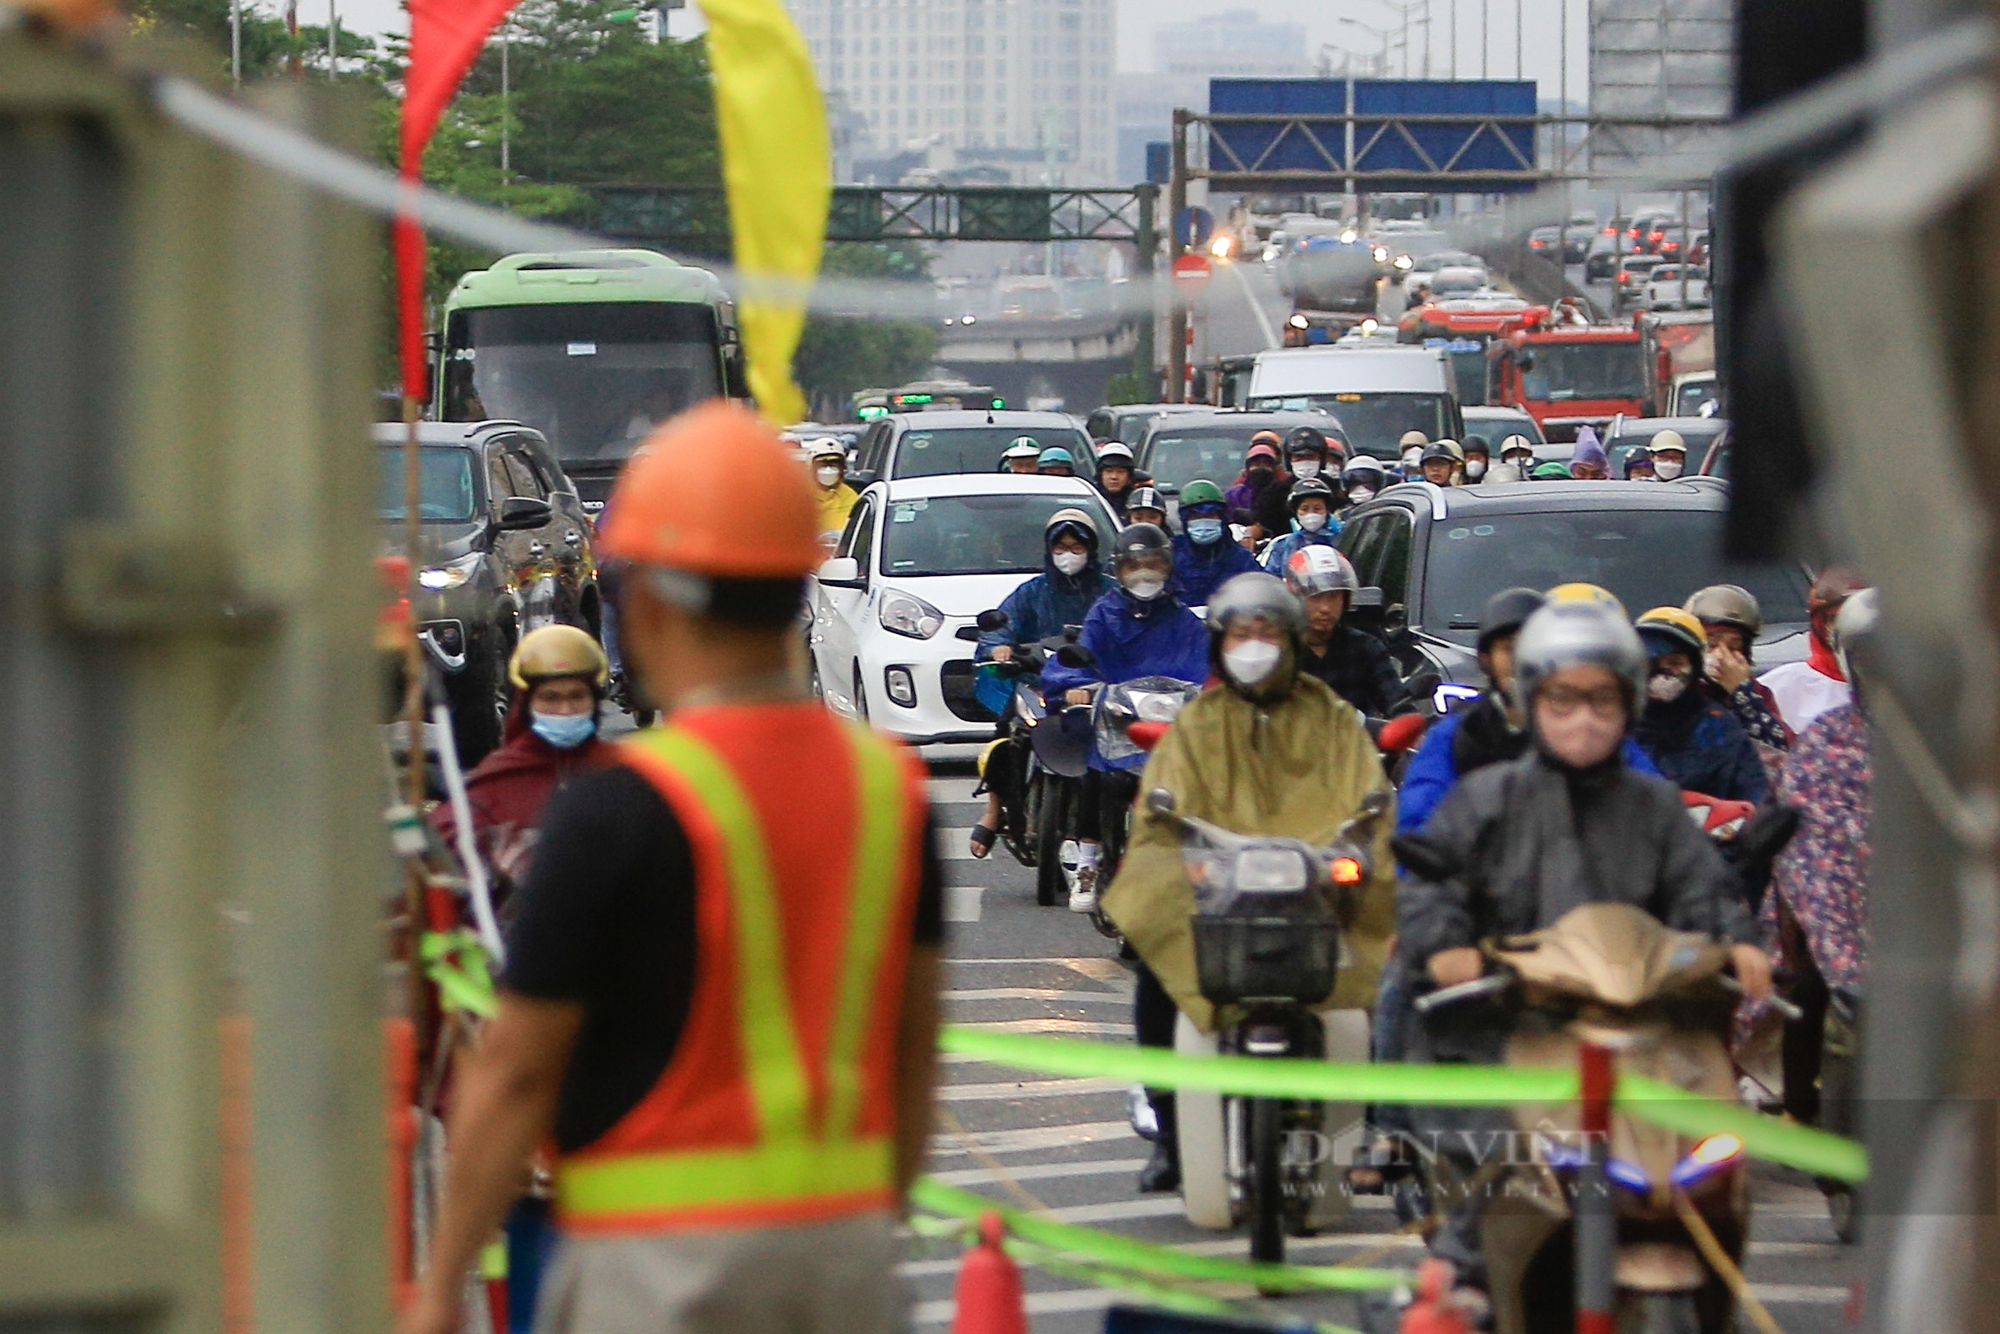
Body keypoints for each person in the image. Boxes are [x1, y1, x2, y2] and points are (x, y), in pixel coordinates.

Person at [400, 402, 943, 1334]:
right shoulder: (887, 789)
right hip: (845, 1257)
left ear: (644, 600)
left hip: (657, 1268)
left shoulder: (619, 807)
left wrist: (440, 1284)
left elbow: (519, 1074)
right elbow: (910, 1052)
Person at [1395, 599, 1771, 1282]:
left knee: (1707, 1181)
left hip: (1641, 1031)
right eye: (1563, 699)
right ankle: (1460, 1275)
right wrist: (1449, 942)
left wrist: (1734, 937)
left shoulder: (1652, 804)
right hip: (1512, 1025)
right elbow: (1431, 880)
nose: (1583, 718)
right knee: (1480, 1215)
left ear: (1628, 705)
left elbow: (1700, 884)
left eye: (1602, 700)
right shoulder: (1485, 800)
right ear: (1533, 700)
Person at [1104, 572, 1397, 1193]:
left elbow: (1370, 798)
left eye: (1267, 631)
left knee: (1382, 973)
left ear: (1290, 640)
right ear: (1219, 644)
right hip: (1216, 896)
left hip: (1316, 892)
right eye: (1241, 633)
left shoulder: (1336, 719)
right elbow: (1160, 813)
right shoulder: (1195, 723)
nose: (1254, 644)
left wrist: (1358, 852)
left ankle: (1373, 1121)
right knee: (1160, 976)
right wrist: (1171, 862)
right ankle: (1173, 1132)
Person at [1039, 523, 1210, 913]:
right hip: (1118, 722)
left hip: (1171, 727)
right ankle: (1087, 863)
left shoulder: (1183, 620)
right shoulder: (1104, 613)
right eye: (1135, 565)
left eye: (1152, 563)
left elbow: (1207, 666)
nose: (1144, 573)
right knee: (1096, 776)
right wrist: (1077, 685)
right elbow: (1081, 656)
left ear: (1167, 566)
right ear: (1119, 570)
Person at [1768, 588, 1876, 1124]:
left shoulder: (1951, 740)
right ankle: (1799, 1109)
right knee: (1808, 988)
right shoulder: (1826, 740)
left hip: (1929, 914)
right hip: (1840, 912)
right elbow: (1806, 840)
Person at [966, 508, 1114, 857]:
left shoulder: (1110, 592)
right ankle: (993, 810)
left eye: (1076, 547)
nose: (1068, 555)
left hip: (1094, 687)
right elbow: (1003, 624)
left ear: (1091, 550)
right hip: (1039, 684)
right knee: (1006, 733)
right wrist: (1000, 646)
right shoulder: (1031, 592)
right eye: (1061, 547)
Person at [433, 624, 614, 894]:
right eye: (550, 698)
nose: (565, 710)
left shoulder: (622, 774)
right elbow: (445, 852)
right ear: (527, 704)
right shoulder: (498, 780)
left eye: (577, 697)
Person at [1632, 606, 1770, 803]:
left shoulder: (1719, 727)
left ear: (1695, 666)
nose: (1662, 672)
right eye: (1650, 662)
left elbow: (1754, 795)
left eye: (1675, 662)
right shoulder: (1617, 723)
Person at [1280, 546, 1406, 718]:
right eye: (1315, 597)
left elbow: (1397, 704)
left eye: (1333, 596)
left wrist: (1405, 726)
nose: (1325, 608)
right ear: (1294, 598)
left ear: (1345, 600)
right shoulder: (1279, 651)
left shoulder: (1365, 648)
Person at [1759, 568, 1867, 735]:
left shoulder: (1904, 691)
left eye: (1858, 621)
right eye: (1835, 620)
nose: (1845, 630)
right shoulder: (1779, 687)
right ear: (1819, 623)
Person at [1684, 583, 1789, 751]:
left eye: (1734, 646)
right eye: (1711, 642)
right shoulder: (1677, 686)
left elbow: (1782, 748)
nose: (1721, 655)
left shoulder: (1756, 692)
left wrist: (1741, 693)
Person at [1169, 479, 1260, 605]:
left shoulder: (1239, 557)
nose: (1203, 521)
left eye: (1210, 515)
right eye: (1196, 517)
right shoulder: (1171, 554)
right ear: (1185, 521)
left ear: (1222, 518)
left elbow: (1260, 589)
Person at [1253, 426, 1338, 538]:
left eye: (1311, 457)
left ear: (1321, 459)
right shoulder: (1272, 494)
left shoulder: (1336, 489)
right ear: (1289, 460)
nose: (1305, 462)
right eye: (1298, 457)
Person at [1259, 477, 1342, 571]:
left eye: (1317, 508)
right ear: (1296, 512)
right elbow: (1271, 577)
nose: (1311, 513)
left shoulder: (1343, 540)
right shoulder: (1283, 545)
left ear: (1327, 511)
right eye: (1304, 509)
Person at [1224, 434, 1287, 534]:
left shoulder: (1284, 492)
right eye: (1256, 464)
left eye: (1266, 464)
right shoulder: (1234, 494)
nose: (1261, 468)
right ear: (1248, 467)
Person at [809, 438, 859, 536]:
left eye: (834, 464)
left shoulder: (850, 496)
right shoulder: (798, 495)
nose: (828, 470)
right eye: (822, 465)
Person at [1093, 441, 1150, 516]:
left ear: (1129, 476)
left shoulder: (1137, 501)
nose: (1114, 477)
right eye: (1109, 471)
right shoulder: (1090, 499)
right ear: (1100, 474)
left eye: (1120, 472)